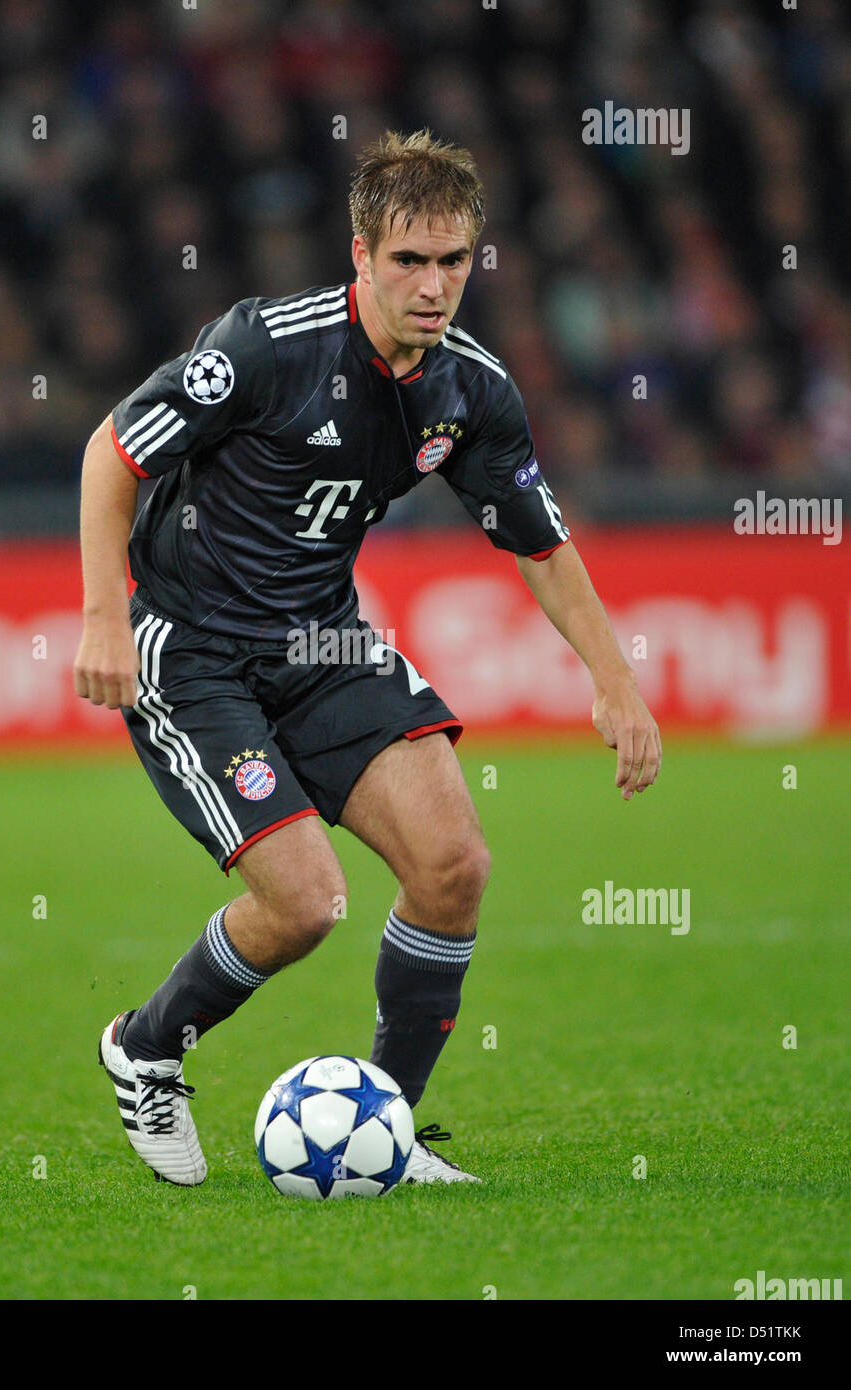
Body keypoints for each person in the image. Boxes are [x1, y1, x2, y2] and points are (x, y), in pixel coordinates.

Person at [74, 130, 661, 1188]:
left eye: (454, 262)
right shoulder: (265, 345)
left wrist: (614, 678)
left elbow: (539, 541)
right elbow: (112, 451)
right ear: (361, 256)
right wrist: (103, 615)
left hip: (327, 641)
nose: (434, 286)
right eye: (409, 262)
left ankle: (385, 1123)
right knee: (305, 904)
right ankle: (147, 1048)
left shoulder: (472, 391)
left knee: (454, 867)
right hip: (194, 649)